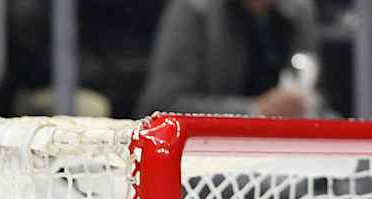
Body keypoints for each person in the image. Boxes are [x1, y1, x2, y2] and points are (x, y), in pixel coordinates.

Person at [139, 0, 324, 118]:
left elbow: (312, 94)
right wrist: (254, 110)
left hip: (283, 152)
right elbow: (160, 105)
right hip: (207, 157)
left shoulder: (299, 11)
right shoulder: (194, 9)